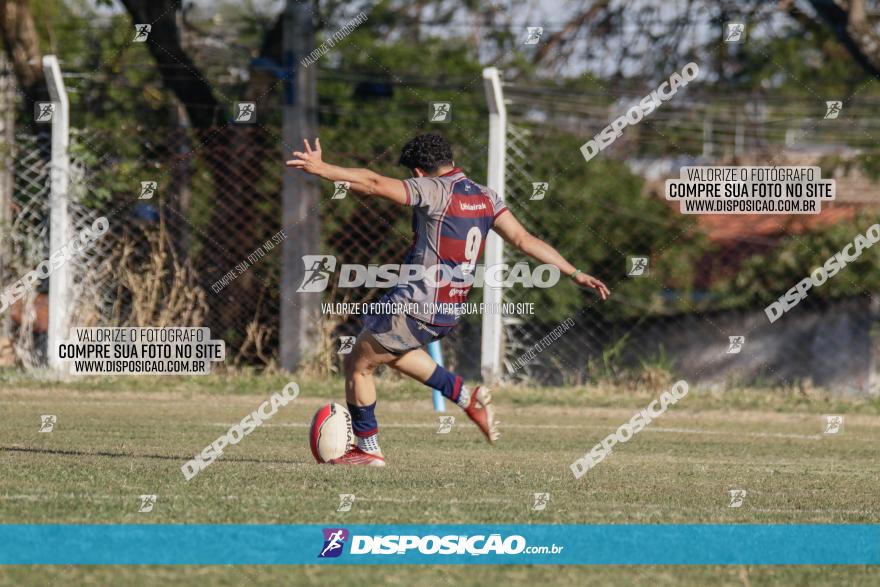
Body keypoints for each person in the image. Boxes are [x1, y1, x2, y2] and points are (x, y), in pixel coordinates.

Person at [286, 133, 609, 466]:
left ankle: (368, 449)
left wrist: (323, 169)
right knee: (391, 351)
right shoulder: (486, 197)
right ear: (450, 160)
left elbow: (371, 183)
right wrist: (574, 272)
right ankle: (467, 397)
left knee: (359, 363)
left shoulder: (432, 190)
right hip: (448, 308)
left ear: (419, 171)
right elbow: (524, 239)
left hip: (416, 302)